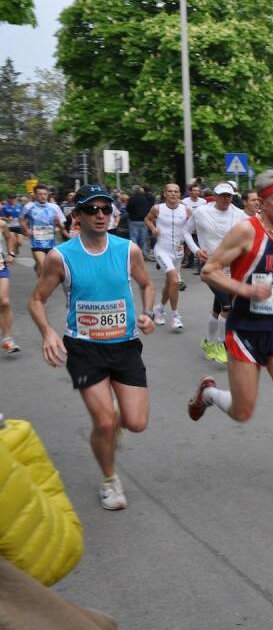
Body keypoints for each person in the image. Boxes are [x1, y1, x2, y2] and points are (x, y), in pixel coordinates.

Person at [188, 170, 273, 508]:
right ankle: (208, 394)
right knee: (242, 411)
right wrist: (245, 289)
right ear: (262, 204)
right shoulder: (245, 231)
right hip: (246, 332)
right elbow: (210, 270)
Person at [27, 184, 156, 510]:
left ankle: (115, 425)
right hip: (85, 348)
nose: (100, 215)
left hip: (125, 345)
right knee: (104, 423)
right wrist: (48, 332)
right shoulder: (61, 256)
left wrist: (148, 312)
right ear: (78, 215)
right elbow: (36, 300)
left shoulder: (128, 250)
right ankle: (110, 481)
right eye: (91, 209)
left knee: (136, 422)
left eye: (105, 209)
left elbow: (147, 284)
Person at [184, 182, 249, 363]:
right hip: (210, 267)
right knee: (227, 307)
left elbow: (252, 231)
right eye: (222, 195)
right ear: (215, 196)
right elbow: (186, 231)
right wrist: (196, 250)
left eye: (229, 196)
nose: (225, 199)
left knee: (218, 308)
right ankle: (222, 344)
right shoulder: (202, 212)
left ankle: (208, 341)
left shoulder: (238, 214)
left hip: (231, 267)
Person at [145, 184, 191, 331]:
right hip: (162, 250)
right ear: (165, 194)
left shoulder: (186, 210)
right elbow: (147, 219)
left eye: (175, 191)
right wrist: (153, 228)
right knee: (175, 280)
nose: (172, 194)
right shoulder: (157, 208)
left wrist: (191, 245)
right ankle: (175, 315)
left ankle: (159, 309)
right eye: (169, 191)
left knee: (170, 283)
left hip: (178, 252)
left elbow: (192, 228)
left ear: (179, 194)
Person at [20, 185, 67, 277]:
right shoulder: (29, 207)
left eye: (45, 194)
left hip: (51, 243)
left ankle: (38, 267)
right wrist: (26, 230)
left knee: (42, 268)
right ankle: (42, 287)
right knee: (45, 267)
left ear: (48, 195)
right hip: (36, 243)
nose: (43, 196)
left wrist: (57, 227)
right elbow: (21, 219)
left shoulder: (54, 207)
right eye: (40, 194)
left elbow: (62, 225)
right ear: (35, 195)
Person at [0, 218, 20, 354]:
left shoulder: (1, 224)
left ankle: (7, 339)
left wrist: (11, 253)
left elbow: (10, 237)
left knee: (4, 302)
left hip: (1, 266)